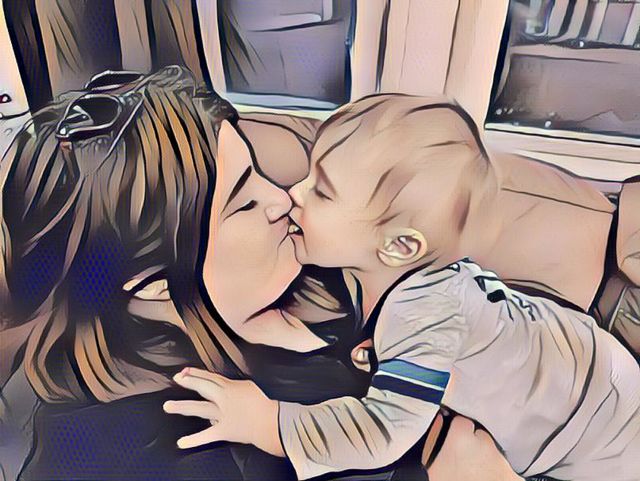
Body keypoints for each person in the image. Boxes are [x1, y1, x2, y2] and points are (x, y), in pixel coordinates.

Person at [166, 94, 640, 481]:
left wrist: (270, 422)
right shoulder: (387, 277)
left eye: (322, 191)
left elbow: (381, 432)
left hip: (596, 429)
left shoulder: (422, 313)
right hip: (590, 369)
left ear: (399, 246)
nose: (293, 194)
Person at [0, 66, 375, 481]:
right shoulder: (171, 454)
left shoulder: (309, 272)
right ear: (153, 284)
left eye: (258, 174)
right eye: (244, 203)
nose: (282, 199)